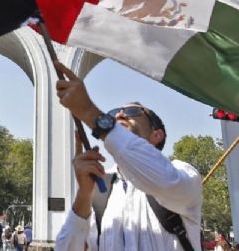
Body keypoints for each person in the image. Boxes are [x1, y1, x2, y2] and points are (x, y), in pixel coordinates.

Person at [52, 62, 202, 251]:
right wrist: (84, 194)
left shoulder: (184, 173)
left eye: (133, 111)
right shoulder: (102, 190)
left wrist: (91, 113)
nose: (121, 114)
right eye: (114, 114)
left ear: (157, 135)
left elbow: (164, 181)